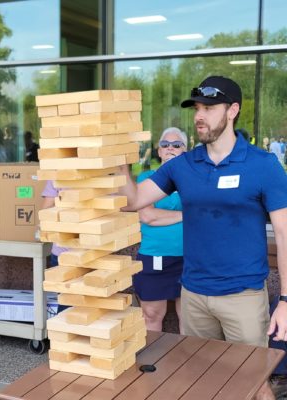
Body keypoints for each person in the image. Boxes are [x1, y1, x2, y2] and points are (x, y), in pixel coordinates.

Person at [119, 75, 287, 400]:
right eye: (197, 107)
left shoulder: (263, 165)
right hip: (193, 296)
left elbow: (284, 232)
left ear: (233, 110)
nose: (199, 115)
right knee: (199, 383)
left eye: (209, 108)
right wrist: (120, 159)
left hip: (243, 298)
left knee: (252, 384)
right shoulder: (183, 165)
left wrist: (286, 301)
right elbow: (132, 202)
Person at [133, 127, 185, 332]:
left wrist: (163, 216)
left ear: (184, 150)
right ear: (159, 151)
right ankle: (151, 363)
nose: (170, 148)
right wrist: (186, 216)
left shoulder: (193, 179)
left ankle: (188, 362)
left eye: (176, 145)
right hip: (154, 256)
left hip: (189, 257)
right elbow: (147, 216)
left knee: (190, 319)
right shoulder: (146, 178)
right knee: (152, 315)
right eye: (165, 145)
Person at [41, 180, 69, 313]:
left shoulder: (57, 170)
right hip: (97, 252)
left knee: (66, 305)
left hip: (63, 253)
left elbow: (46, 211)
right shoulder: (104, 169)